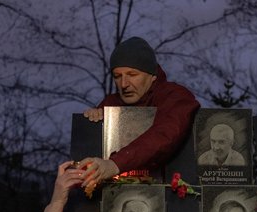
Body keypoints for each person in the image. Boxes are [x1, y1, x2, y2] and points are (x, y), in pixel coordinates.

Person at [79, 37, 200, 188]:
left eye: (132, 74)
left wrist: (114, 164)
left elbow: (165, 133)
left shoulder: (176, 97)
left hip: (170, 195)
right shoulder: (110, 104)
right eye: (117, 76)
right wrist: (92, 121)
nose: (124, 84)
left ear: (152, 76)